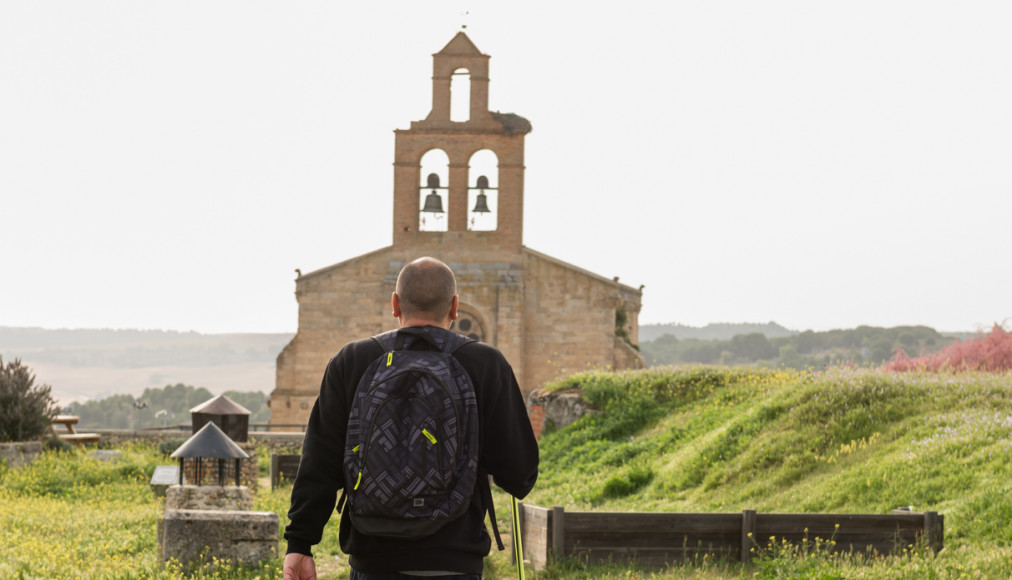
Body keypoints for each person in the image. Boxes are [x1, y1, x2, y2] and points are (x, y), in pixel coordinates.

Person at [283, 257, 540, 580]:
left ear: (394, 304)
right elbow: (520, 474)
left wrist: (300, 544)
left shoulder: (353, 360)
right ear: (455, 307)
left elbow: (319, 461)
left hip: (374, 560)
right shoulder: (486, 363)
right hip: (455, 561)